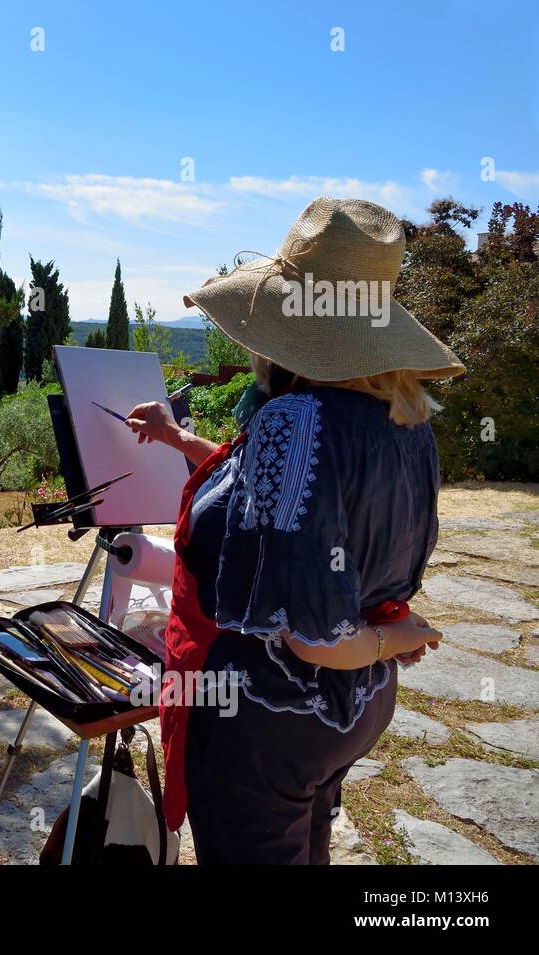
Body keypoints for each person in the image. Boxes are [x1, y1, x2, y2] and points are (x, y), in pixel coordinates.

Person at [124, 197, 463, 864]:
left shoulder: (295, 419)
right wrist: (178, 438)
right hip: (349, 709)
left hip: (266, 716)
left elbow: (316, 638)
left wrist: (392, 636)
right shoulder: (408, 422)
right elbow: (293, 503)